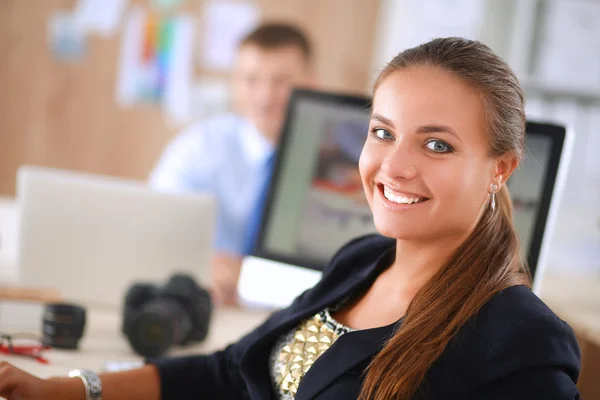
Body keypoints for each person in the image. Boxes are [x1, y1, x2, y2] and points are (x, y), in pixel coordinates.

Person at [0, 37, 581, 400]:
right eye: (383, 132)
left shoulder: (520, 338)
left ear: (501, 168)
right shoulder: (362, 261)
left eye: (437, 146)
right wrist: (68, 390)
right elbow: (231, 372)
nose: (393, 166)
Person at [148, 23, 314, 305]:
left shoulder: (341, 160)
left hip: (294, 309)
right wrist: (199, 260)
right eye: (251, 80)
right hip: (210, 304)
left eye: (281, 81)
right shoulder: (200, 146)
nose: (265, 96)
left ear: (311, 82)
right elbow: (154, 221)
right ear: (234, 83)